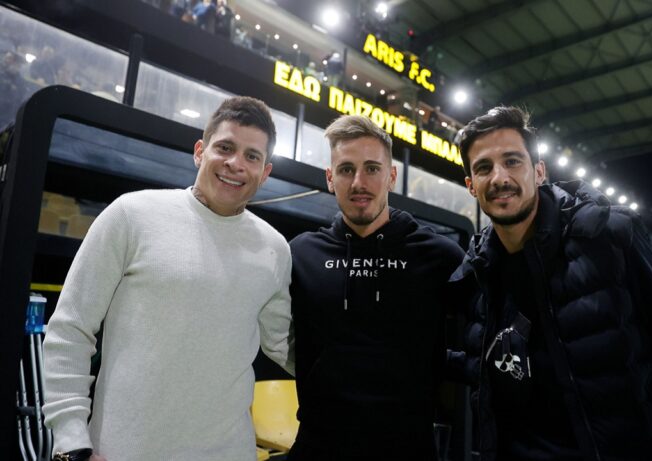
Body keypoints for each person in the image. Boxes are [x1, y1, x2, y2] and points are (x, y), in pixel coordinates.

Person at [447, 105, 652, 461]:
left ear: (539, 171)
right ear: (471, 186)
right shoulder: (477, 274)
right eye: (484, 168)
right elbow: (486, 369)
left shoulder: (609, 237)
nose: (499, 177)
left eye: (512, 161)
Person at [42, 96, 294, 461]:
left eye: (252, 156)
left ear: (265, 172)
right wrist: (71, 441)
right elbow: (71, 329)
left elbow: (284, 344)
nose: (236, 164)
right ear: (200, 151)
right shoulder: (131, 214)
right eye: (225, 148)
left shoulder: (274, 249)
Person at [287, 115, 464, 460]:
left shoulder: (440, 256)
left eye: (372, 168)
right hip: (318, 446)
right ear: (330, 178)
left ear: (391, 177)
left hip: (409, 449)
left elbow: (483, 335)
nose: (359, 182)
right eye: (346, 169)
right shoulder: (301, 254)